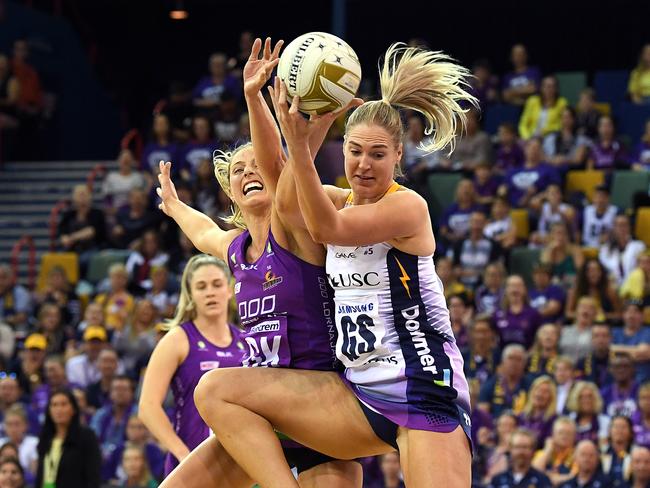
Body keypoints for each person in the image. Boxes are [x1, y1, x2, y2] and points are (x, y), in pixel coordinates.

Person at [168, 42, 476, 488]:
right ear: (343, 150)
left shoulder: (407, 208)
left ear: (398, 157)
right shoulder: (335, 200)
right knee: (215, 390)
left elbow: (325, 226)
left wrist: (304, 136)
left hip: (422, 384)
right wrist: (256, 99)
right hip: (357, 392)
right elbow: (282, 183)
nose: (364, 165)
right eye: (355, 152)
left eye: (377, 154)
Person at [157, 37, 361, 487]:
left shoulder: (300, 226)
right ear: (229, 193)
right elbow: (204, 232)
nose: (249, 172)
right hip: (263, 412)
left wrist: (256, 98)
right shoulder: (235, 248)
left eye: (256, 165)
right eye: (237, 171)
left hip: (321, 405)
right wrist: (173, 206)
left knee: (213, 388)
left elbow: (286, 162)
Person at [138, 254, 245, 475]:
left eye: (216, 284)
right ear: (191, 295)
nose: (210, 292)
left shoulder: (246, 341)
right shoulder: (177, 339)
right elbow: (147, 407)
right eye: (201, 286)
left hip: (240, 463)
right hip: (191, 459)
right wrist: (182, 454)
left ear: (229, 289)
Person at [35, 388, 101, 488]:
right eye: (54, 405)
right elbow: (40, 475)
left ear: (73, 409)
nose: (59, 409)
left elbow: (93, 477)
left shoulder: (86, 436)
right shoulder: (45, 437)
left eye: (63, 404)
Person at [487, 428, 552, 488]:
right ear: (510, 449)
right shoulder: (497, 480)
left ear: (533, 450)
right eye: (517, 447)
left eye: (525, 447)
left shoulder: (543, 480)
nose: (521, 452)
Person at [518, 76, 568, 140]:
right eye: (547, 86)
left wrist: (546, 131)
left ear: (556, 89)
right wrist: (527, 137)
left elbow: (562, 124)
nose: (549, 89)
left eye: (552, 87)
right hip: (531, 136)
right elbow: (523, 124)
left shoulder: (562, 103)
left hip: (550, 137)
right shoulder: (532, 101)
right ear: (541, 88)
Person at [566, 381, 610, 446]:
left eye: (590, 396)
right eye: (581, 397)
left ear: (596, 398)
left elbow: (605, 446)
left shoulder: (605, 421)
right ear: (576, 399)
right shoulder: (570, 420)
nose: (586, 400)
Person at [579, 185, 619, 249]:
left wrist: (611, 236)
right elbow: (578, 230)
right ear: (593, 198)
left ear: (608, 198)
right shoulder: (586, 211)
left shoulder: (616, 212)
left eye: (603, 197)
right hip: (587, 247)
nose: (600, 200)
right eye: (597, 197)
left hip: (608, 248)